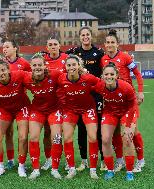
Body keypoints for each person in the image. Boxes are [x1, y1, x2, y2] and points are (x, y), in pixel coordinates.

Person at [101, 29, 145, 172]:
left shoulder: (125, 57)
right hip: (112, 101)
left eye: (112, 42)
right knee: (114, 134)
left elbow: (137, 74)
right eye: (107, 42)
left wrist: (140, 91)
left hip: (127, 100)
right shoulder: (103, 59)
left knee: (133, 132)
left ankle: (140, 159)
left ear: (117, 44)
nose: (110, 45)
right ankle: (119, 160)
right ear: (105, 45)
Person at [66, 26, 105, 171]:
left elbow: (105, 69)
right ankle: (84, 160)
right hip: (81, 96)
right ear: (80, 37)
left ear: (91, 36)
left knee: (98, 129)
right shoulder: (74, 52)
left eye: (87, 34)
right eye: (83, 35)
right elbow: (62, 59)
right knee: (81, 129)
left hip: (96, 96)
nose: (85, 37)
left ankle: (102, 159)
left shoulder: (99, 52)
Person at [92, 62, 138, 181]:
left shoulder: (126, 86)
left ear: (117, 75)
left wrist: (128, 126)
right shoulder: (99, 85)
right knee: (106, 139)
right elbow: (87, 84)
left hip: (126, 112)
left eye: (112, 74)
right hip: (110, 112)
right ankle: (110, 170)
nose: (109, 76)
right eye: (106, 74)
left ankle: (129, 171)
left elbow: (133, 106)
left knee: (127, 138)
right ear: (102, 76)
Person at [57, 54, 100, 179]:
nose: (71, 67)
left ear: (79, 66)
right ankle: (71, 169)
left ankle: (93, 170)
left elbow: (101, 85)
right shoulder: (61, 78)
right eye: (69, 65)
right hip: (70, 110)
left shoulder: (88, 78)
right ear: (65, 67)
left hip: (88, 109)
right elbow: (58, 90)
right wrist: (64, 102)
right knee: (67, 137)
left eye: (74, 65)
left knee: (92, 137)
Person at [0, 40, 31, 169]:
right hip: (5, 105)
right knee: (7, 133)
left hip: (20, 103)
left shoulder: (24, 63)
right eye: (3, 47)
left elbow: (32, 77)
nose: (4, 49)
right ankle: (10, 160)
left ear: (15, 48)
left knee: (23, 135)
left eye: (7, 46)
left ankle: (22, 163)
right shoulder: (0, 64)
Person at [25, 54, 63, 180]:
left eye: (39, 65)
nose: (37, 67)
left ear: (44, 66)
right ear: (31, 67)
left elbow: (69, 76)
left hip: (54, 109)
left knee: (56, 137)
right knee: (34, 137)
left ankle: (55, 169)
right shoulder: (27, 78)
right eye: (34, 65)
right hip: (37, 110)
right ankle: (36, 169)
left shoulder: (55, 74)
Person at [35, 38, 68, 171]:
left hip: (64, 100)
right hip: (47, 102)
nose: (53, 47)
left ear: (59, 46)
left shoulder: (66, 58)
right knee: (48, 132)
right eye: (50, 45)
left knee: (65, 132)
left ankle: (67, 159)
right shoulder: (42, 60)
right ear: (47, 47)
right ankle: (49, 159)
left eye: (55, 44)